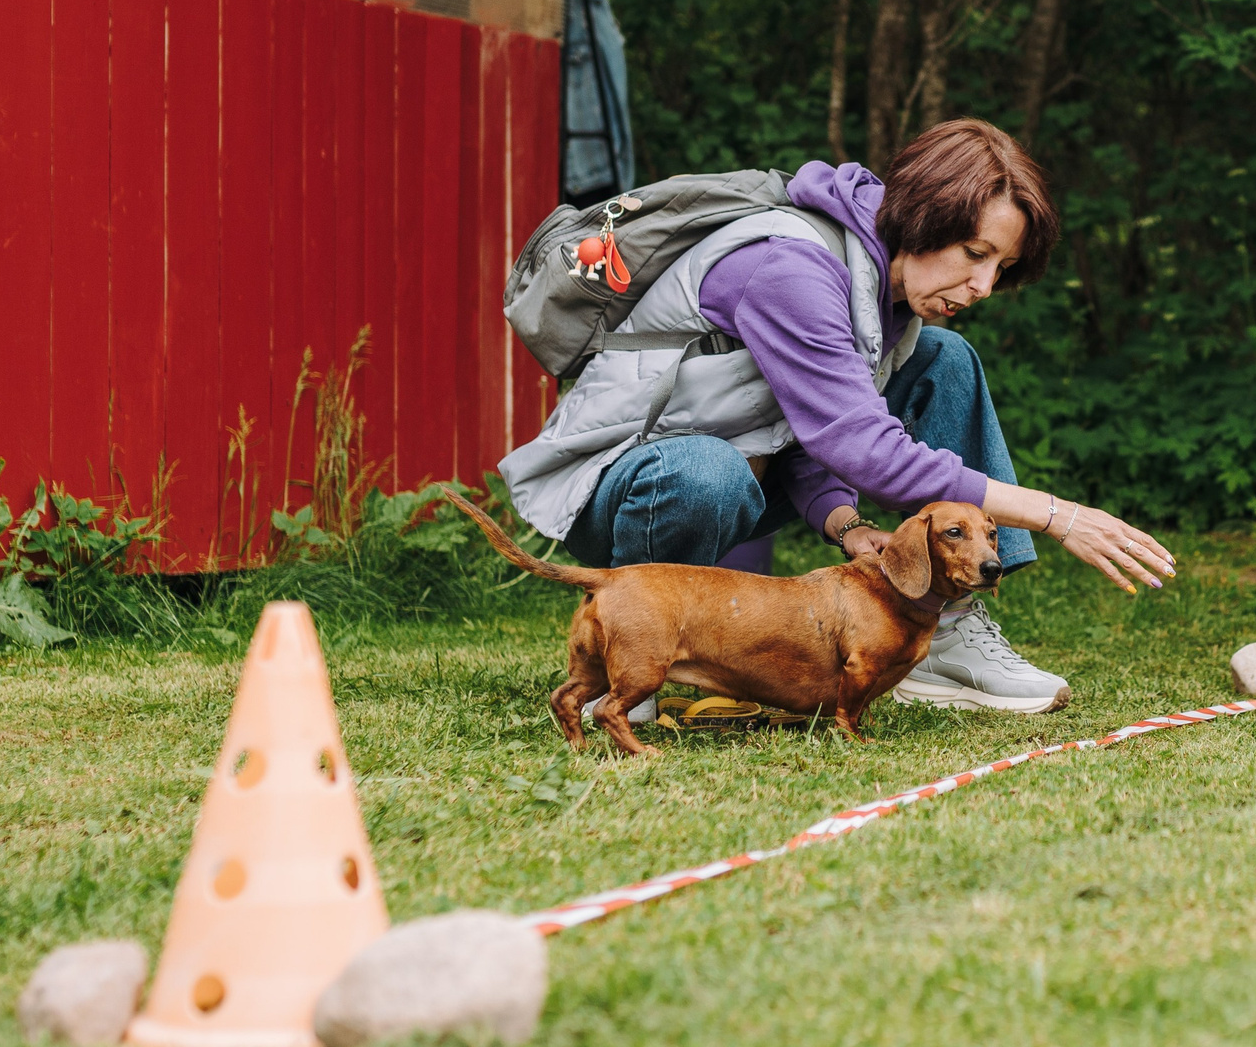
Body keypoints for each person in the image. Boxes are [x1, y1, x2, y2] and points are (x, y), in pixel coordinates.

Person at [500, 118, 1174, 715]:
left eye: (1001, 267)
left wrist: (847, 524)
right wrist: (1059, 514)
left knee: (945, 359)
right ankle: (632, 648)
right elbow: (858, 443)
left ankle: (948, 622)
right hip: (630, 491)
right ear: (924, 218)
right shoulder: (788, 267)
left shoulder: (886, 294)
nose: (985, 287)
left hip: (741, 477)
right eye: (975, 253)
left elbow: (790, 425)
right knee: (707, 469)